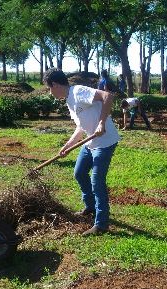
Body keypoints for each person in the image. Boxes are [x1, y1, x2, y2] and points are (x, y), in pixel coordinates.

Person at [43, 68, 120, 236]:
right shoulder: (70, 101)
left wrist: (102, 123)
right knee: (79, 173)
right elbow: (80, 127)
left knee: (97, 181)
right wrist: (68, 145)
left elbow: (108, 96)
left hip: (104, 141)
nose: (50, 93)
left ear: (55, 84)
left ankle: (101, 224)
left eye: (49, 88)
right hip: (91, 141)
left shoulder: (78, 91)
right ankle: (90, 207)